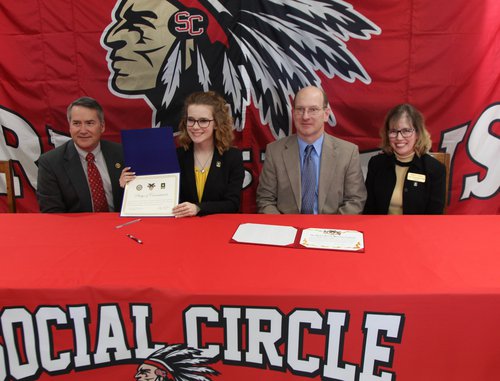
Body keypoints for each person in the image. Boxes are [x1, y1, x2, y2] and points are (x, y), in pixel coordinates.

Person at [120, 91, 244, 217]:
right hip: (182, 228)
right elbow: (154, 195)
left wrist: (198, 208)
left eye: (203, 121)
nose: (195, 127)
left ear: (217, 123)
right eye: (191, 120)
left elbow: (232, 204)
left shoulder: (232, 157)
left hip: (218, 228)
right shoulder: (175, 156)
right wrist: (129, 185)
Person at [256, 85, 366, 214]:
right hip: (288, 230)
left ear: (326, 114)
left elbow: (355, 201)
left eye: (313, 109)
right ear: (293, 113)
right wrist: (286, 229)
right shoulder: (275, 151)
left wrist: (326, 232)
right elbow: (265, 200)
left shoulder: (348, 153)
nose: (305, 116)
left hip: (330, 230)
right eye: (300, 109)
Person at [37, 97, 124, 213]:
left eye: (89, 123)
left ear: (102, 127)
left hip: (120, 226)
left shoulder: (122, 154)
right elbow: (52, 212)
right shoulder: (50, 163)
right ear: (70, 127)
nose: (83, 130)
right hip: (75, 228)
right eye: (77, 123)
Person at [363, 103, 446, 214]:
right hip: (380, 228)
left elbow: (434, 216)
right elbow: (369, 209)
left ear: (418, 133)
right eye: (393, 131)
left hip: (417, 230)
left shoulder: (435, 169)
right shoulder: (376, 164)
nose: (399, 137)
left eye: (406, 131)